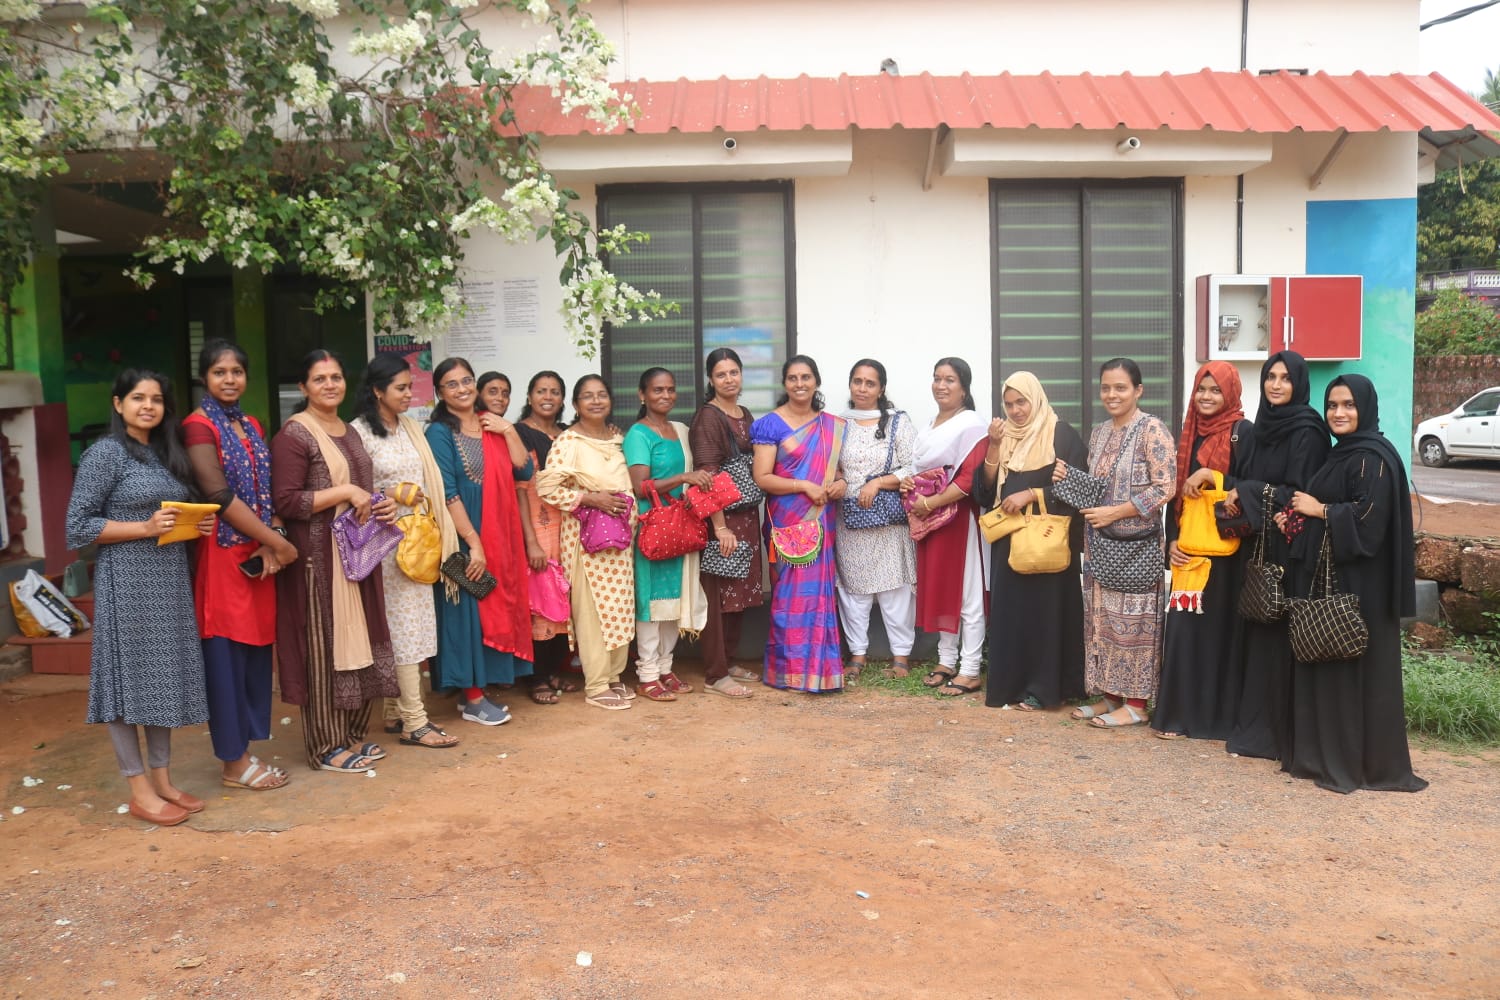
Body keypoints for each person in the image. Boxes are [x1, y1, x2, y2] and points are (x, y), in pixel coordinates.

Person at [66, 369, 213, 826]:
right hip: (126, 582)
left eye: (156, 399)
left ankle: (163, 781)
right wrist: (144, 528)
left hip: (168, 580)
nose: (148, 406)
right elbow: (78, 526)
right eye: (137, 397)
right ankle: (138, 789)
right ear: (118, 404)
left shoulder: (166, 453)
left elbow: (170, 516)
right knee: (125, 682)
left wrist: (195, 524)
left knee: (161, 677)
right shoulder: (105, 454)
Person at [1278, 375, 1426, 794]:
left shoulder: (1374, 458)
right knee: (1329, 667)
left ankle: (1354, 764)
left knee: (1352, 672)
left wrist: (1320, 510)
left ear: (1365, 408)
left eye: (1348, 405)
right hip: (1333, 583)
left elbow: (1368, 523)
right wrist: (1297, 521)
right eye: (1332, 405)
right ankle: (1321, 757)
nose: (1338, 413)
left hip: (1361, 590)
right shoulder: (1341, 453)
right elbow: (1328, 511)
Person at [272, 350, 398, 772]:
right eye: (320, 378)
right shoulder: (294, 435)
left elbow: (361, 489)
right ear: (303, 387)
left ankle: (351, 735)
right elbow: (287, 501)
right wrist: (345, 493)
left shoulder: (349, 431)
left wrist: (380, 504)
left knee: (361, 640)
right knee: (325, 649)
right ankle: (326, 745)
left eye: (336, 377)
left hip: (356, 553)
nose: (330, 385)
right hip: (319, 561)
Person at [182, 340, 295, 791]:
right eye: (219, 372)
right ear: (204, 378)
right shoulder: (197, 426)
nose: (229, 379)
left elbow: (268, 487)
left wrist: (273, 539)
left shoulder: (251, 423)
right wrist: (276, 543)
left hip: (258, 555)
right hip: (223, 556)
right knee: (226, 658)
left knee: (254, 655)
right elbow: (218, 494)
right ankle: (233, 763)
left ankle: (244, 751)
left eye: (236, 371)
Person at [1055, 358, 1176, 729]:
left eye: (1121, 387)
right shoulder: (1099, 433)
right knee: (1103, 621)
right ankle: (1110, 696)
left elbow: (1165, 487)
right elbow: (1098, 489)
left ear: (1138, 390)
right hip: (1100, 546)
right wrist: (1067, 477)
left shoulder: (1152, 429)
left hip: (1137, 548)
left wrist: (1116, 513)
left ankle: (1136, 704)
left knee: (1135, 623)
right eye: (1106, 387)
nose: (1112, 394)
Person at [351, 353, 461, 749]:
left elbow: (427, 479)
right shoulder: (358, 432)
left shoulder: (410, 426)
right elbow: (349, 488)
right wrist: (388, 493)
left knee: (412, 626)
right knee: (403, 630)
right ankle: (416, 721)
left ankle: (395, 712)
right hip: (384, 545)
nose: (408, 394)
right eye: (400, 388)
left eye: (409, 386)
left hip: (418, 541)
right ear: (377, 391)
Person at [1224, 352, 1330, 759]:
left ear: (1299, 383)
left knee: (1280, 634)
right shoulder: (1261, 427)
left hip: (1290, 548)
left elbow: (1303, 493)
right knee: (1258, 632)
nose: (1276, 385)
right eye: (1271, 376)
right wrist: (1238, 487)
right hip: (1259, 546)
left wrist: (1248, 491)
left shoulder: (1308, 430)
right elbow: (1248, 478)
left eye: (1286, 378)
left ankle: (1281, 733)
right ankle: (1255, 727)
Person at [425, 357, 535, 725]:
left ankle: (477, 690)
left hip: (500, 529)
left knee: (494, 605)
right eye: (452, 384)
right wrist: (473, 543)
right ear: (440, 393)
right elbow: (448, 492)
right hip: (463, 532)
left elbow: (524, 469)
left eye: (466, 380)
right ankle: (471, 697)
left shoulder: (492, 424)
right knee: (466, 612)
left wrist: (509, 430)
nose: (462, 389)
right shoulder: (439, 432)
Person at [971, 371, 1088, 711]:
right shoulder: (1004, 436)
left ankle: (1047, 688)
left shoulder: (1060, 434)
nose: (1016, 410)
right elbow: (985, 492)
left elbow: (1079, 486)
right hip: (1010, 542)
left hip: (1048, 541)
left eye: (1021, 402)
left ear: (1035, 398)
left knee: (1047, 615)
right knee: (1013, 615)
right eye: (1009, 404)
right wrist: (994, 446)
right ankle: (1012, 686)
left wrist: (1033, 494)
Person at [1153, 362, 1253, 741]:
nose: (1206, 397)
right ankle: (1177, 716)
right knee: (1184, 633)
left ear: (1230, 393)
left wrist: (1216, 476)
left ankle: (1214, 721)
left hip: (1227, 556)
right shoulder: (1190, 431)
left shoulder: (1243, 433)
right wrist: (1172, 540)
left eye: (1215, 390)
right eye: (1201, 389)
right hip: (1189, 552)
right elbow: (1176, 493)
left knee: (1218, 635)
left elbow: (1256, 485)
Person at [536, 375, 639, 710]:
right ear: (576, 404)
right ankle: (596, 686)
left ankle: (613, 676)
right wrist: (591, 498)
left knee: (620, 608)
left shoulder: (618, 439)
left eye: (602, 395)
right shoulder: (568, 441)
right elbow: (547, 488)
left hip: (620, 542)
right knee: (593, 611)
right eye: (587, 396)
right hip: (586, 542)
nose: (596, 401)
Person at [751, 355, 847, 692]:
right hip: (788, 523)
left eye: (806, 377)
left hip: (822, 520)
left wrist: (841, 484)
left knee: (818, 597)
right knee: (789, 597)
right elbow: (762, 477)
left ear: (816, 381)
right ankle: (789, 670)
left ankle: (820, 671)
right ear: (785, 383)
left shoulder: (830, 425)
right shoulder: (771, 425)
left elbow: (836, 471)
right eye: (792, 378)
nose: (799, 383)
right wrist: (804, 486)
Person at [624, 367, 711, 701]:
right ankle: (647, 674)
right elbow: (640, 486)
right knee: (651, 602)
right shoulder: (638, 434)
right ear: (642, 395)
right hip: (654, 528)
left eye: (670, 389)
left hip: (683, 527)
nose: (665, 395)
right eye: (657, 390)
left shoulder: (680, 430)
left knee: (676, 601)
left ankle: (665, 668)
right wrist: (683, 478)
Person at [905, 357, 989, 697]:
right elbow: (920, 471)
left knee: (968, 594)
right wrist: (910, 487)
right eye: (937, 378)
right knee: (942, 587)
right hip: (933, 521)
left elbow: (968, 480)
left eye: (950, 380)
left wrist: (929, 504)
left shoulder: (972, 426)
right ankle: (946, 660)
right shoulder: (930, 426)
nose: (941, 385)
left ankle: (970, 669)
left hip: (959, 520)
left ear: (964, 388)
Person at [688, 348, 764, 699]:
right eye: (721, 374)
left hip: (744, 514)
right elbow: (707, 475)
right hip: (721, 519)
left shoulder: (743, 414)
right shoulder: (708, 417)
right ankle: (715, 674)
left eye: (734, 372)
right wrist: (719, 528)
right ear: (711, 379)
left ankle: (729, 661)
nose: (729, 379)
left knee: (739, 593)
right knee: (718, 597)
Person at [835, 359, 917, 679]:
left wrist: (878, 482)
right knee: (853, 590)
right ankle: (857, 655)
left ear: (881, 388)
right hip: (850, 518)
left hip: (887, 520)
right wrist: (839, 479)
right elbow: (830, 465)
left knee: (894, 589)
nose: (862, 388)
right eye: (857, 381)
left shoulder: (897, 421)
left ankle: (901, 657)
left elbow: (914, 466)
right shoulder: (838, 423)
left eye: (870, 383)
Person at [512, 370, 580, 705]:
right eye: (541, 391)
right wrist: (531, 541)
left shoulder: (567, 435)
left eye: (555, 391)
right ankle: (536, 677)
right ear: (530, 396)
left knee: (563, 600)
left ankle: (553, 671)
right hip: (538, 527)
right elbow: (519, 490)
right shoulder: (520, 434)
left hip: (568, 526)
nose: (548, 397)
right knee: (540, 601)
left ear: (563, 399)